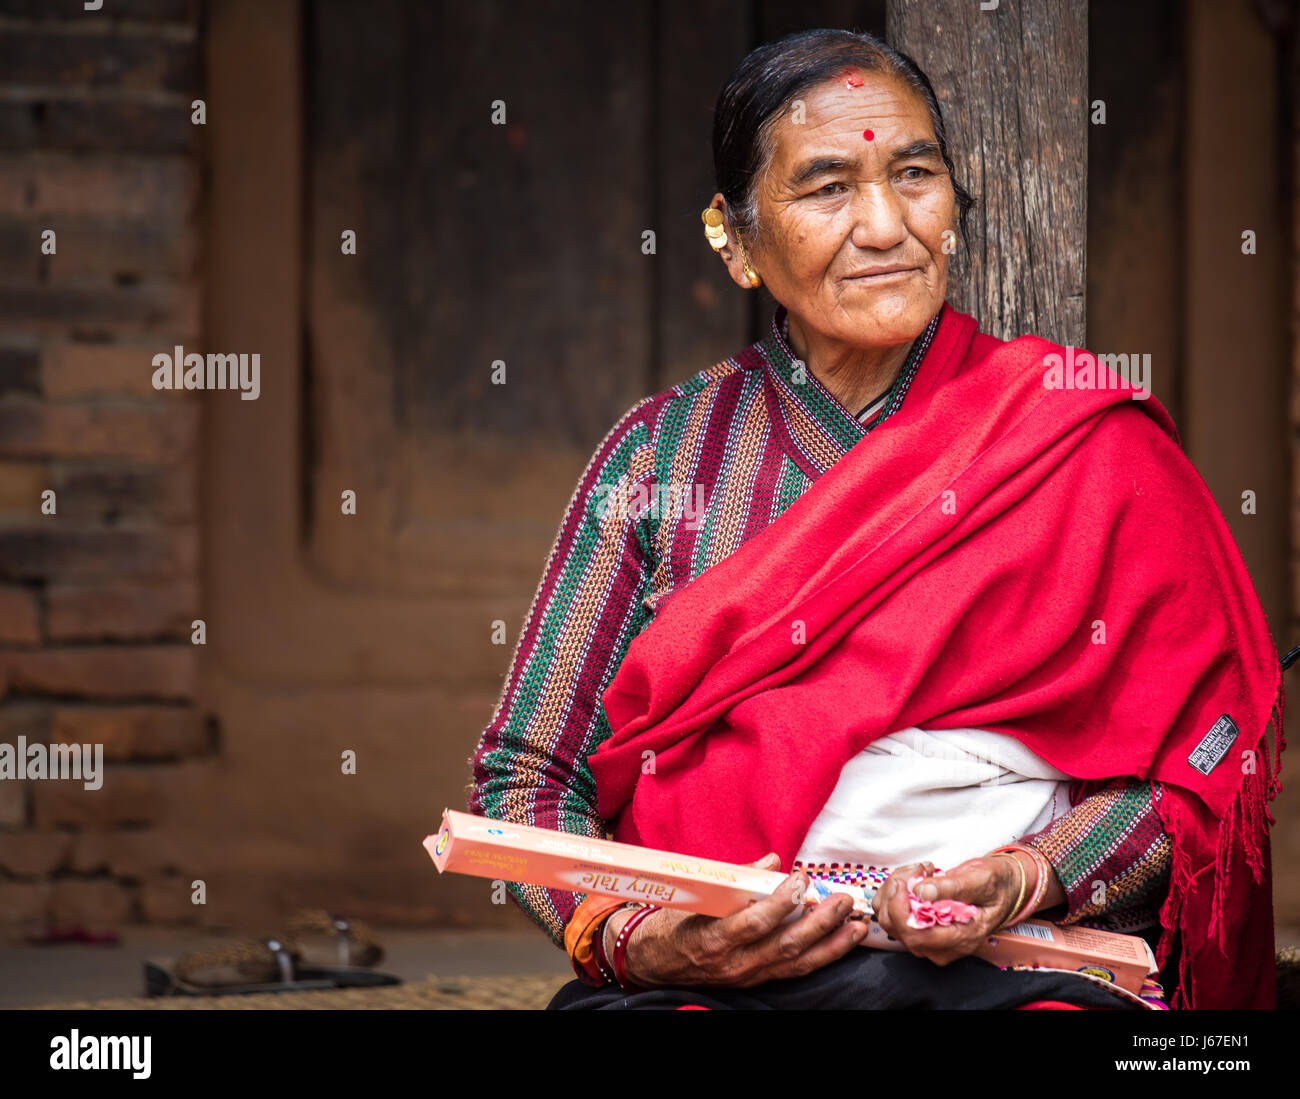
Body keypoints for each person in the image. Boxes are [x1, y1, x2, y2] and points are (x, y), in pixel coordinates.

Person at [468, 28, 1283, 1010]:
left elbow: (1198, 755)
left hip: (1013, 979)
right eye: (825, 187)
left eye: (914, 174)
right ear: (735, 240)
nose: (887, 224)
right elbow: (526, 779)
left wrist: (1032, 874)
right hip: (714, 986)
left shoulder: (1080, 438)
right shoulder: (661, 462)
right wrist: (651, 941)